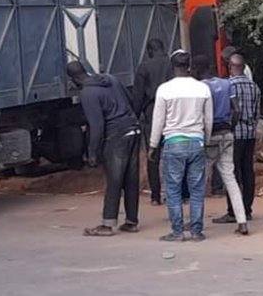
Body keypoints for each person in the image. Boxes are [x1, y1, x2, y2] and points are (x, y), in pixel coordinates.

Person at [67, 61, 140, 237]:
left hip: (116, 136)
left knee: (114, 180)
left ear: (75, 79)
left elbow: (97, 125)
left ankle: (107, 225)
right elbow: (130, 100)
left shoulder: (88, 93)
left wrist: (92, 152)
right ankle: (131, 222)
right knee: (131, 178)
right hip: (134, 130)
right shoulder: (111, 79)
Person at [148, 50, 213, 242]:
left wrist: (153, 145)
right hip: (196, 142)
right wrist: (205, 140)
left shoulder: (164, 89)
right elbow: (208, 119)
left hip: (173, 143)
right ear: (190, 66)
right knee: (197, 190)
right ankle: (196, 231)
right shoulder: (202, 89)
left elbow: (158, 120)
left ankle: (177, 232)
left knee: (173, 190)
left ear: (172, 66)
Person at [193, 55, 250, 236]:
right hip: (227, 134)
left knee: (199, 181)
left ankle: (196, 222)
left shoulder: (201, 87)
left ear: (196, 70)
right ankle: (242, 222)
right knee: (231, 179)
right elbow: (238, 110)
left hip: (210, 136)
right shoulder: (227, 84)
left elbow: (200, 114)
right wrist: (230, 127)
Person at [215, 53, 261, 223]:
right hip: (250, 134)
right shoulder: (254, 86)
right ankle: (247, 209)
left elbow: (232, 111)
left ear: (230, 67)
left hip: (235, 134)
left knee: (232, 172)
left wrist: (231, 126)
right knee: (248, 170)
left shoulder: (228, 86)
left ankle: (233, 211)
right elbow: (257, 113)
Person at [133, 38, 173, 205]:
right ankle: (176, 193)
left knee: (153, 155)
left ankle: (155, 195)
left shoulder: (144, 67)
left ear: (150, 51)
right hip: (173, 114)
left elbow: (138, 95)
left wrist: (135, 115)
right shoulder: (173, 64)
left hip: (152, 114)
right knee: (173, 155)